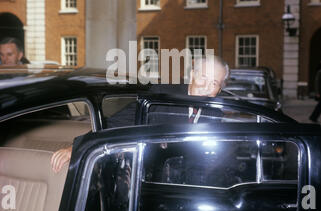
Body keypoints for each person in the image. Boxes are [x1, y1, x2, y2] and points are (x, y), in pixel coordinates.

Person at [50, 54, 230, 173]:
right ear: (192, 75)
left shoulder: (216, 115)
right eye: (203, 78)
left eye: (214, 83)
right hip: (149, 180)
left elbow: (212, 161)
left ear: (220, 89)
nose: (206, 87)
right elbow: (115, 123)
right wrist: (76, 148)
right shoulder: (161, 95)